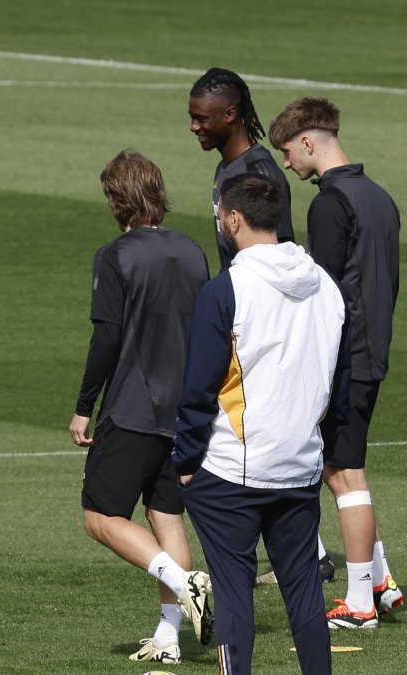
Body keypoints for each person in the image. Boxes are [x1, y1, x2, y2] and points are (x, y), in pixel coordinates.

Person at [173, 174, 347, 675]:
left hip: (232, 471)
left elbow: (200, 388)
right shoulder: (327, 288)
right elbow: (342, 381)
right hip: (300, 467)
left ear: (234, 219)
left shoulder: (226, 289)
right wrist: (319, 450)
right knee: (304, 593)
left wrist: (185, 463)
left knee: (233, 594)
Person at [69, 150, 212, 664]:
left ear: (116, 199)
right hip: (188, 412)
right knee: (166, 517)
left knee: (100, 516)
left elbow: (106, 339)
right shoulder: (194, 251)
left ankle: (186, 581)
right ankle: (170, 639)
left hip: (131, 410)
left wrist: (85, 405)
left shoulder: (115, 256)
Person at [269, 96, 403, 628]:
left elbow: (320, 292)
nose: (286, 164)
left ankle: (361, 602)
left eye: (287, 152)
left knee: (341, 472)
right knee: (342, 466)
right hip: (374, 349)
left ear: (308, 142)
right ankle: (384, 583)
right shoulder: (380, 196)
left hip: (344, 356)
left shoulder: (329, 203)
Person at [188, 67, 296, 273]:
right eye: (192, 118)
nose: (193, 127)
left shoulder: (261, 175)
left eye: (201, 119)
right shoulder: (225, 167)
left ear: (230, 114)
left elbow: (281, 256)